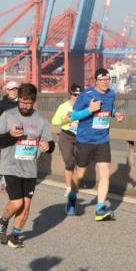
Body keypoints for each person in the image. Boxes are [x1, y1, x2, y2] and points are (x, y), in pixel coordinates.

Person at [0, 83, 55, 248]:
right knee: (17, 203)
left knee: (26, 206)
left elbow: (50, 144)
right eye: (22, 102)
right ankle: (3, 221)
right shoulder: (8, 115)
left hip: (30, 169)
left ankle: (15, 235)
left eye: (29, 103)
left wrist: (48, 147)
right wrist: (10, 135)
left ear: (34, 101)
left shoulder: (41, 120)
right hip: (10, 166)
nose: (26, 106)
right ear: (18, 99)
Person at [70, 68, 124, 221]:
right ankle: (72, 196)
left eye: (108, 79)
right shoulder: (85, 96)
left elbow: (109, 108)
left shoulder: (111, 94)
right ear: (96, 81)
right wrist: (89, 110)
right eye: (102, 80)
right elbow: (73, 116)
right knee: (80, 174)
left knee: (105, 172)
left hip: (102, 140)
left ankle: (100, 208)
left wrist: (115, 113)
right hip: (85, 140)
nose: (106, 82)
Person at [51, 83, 82, 215]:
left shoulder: (84, 106)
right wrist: (65, 120)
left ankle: (75, 185)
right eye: (75, 95)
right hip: (66, 136)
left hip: (80, 137)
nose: (77, 97)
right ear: (70, 94)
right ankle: (69, 187)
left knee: (80, 164)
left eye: (80, 95)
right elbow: (54, 122)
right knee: (69, 162)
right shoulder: (63, 107)